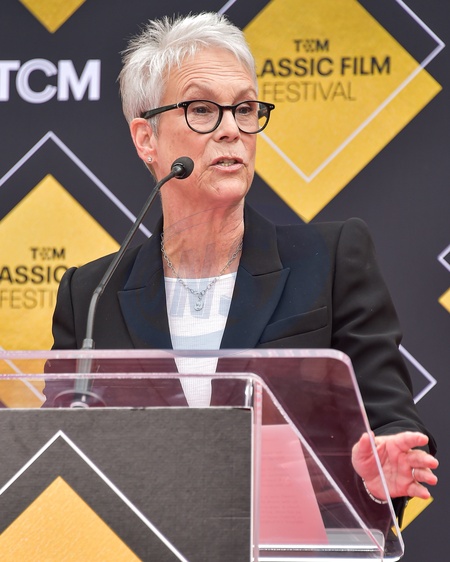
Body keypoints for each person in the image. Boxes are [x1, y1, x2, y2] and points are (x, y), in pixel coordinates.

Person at [48, 12, 437, 510]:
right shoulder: (91, 296)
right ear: (147, 139)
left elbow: (388, 418)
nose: (232, 129)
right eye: (202, 109)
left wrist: (383, 466)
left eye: (245, 109)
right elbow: (59, 454)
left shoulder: (331, 259)